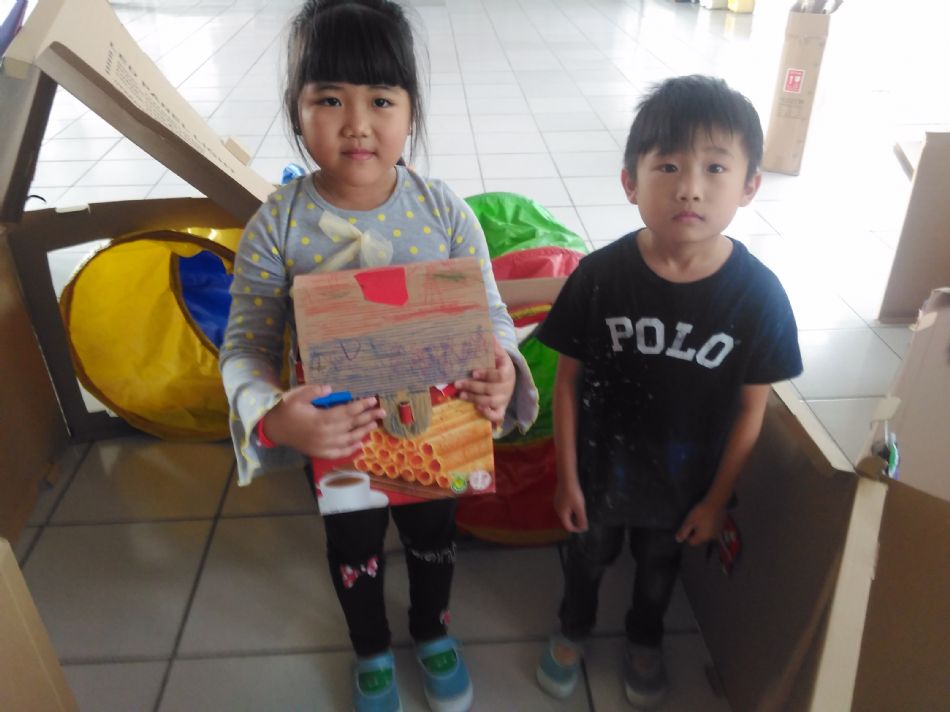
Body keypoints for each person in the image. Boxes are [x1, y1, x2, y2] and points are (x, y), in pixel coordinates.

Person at [219, 1, 538, 710]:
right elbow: (245, 345)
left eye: (381, 100)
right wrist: (274, 416)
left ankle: (432, 630)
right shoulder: (277, 226)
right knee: (353, 550)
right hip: (342, 442)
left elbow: (489, 313)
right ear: (297, 109)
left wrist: (500, 369)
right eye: (329, 99)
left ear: (411, 110)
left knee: (433, 538)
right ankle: (369, 647)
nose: (357, 123)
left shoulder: (444, 211)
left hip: (436, 434)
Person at [533, 75, 803, 708]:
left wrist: (716, 501)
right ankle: (573, 628)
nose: (690, 187)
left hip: (684, 486)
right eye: (669, 166)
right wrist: (566, 477)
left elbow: (752, 410)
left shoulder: (759, 297)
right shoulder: (599, 277)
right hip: (600, 473)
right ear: (630, 182)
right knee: (587, 558)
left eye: (715, 168)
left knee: (659, 571)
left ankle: (645, 640)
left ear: (750, 185)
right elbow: (567, 383)